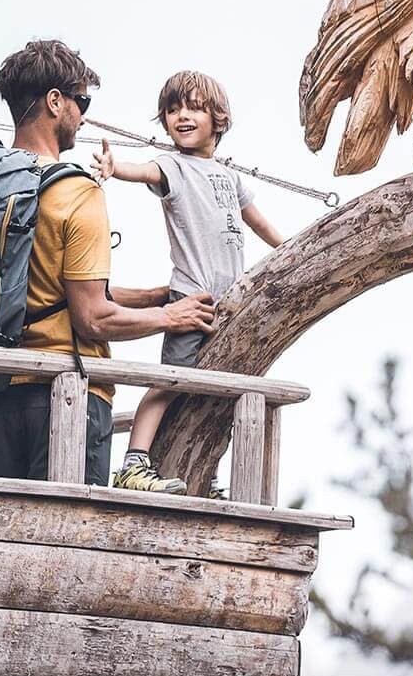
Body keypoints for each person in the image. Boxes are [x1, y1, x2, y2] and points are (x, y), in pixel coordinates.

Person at [0, 40, 215, 485]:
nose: (83, 116)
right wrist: (170, 315)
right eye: (80, 101)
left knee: (4, 541)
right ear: (54, 102)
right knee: (68, 546)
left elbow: (42, 289)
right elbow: (92, 318)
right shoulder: (75, 192)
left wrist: (156, 295)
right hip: (65, 398)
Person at [94, 69, 284, 495]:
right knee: (171, 381)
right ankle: (133, 463)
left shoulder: (230, 177)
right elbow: (144, 171)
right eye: (173, 109)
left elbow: (259, 224)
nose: (182, 116)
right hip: (192, 297)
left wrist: (293, 249)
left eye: (194, 108)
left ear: (218, 118)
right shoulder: (173, 167)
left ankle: (205, 475)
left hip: (231, 302)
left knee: (214, 392)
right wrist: (114, 167)